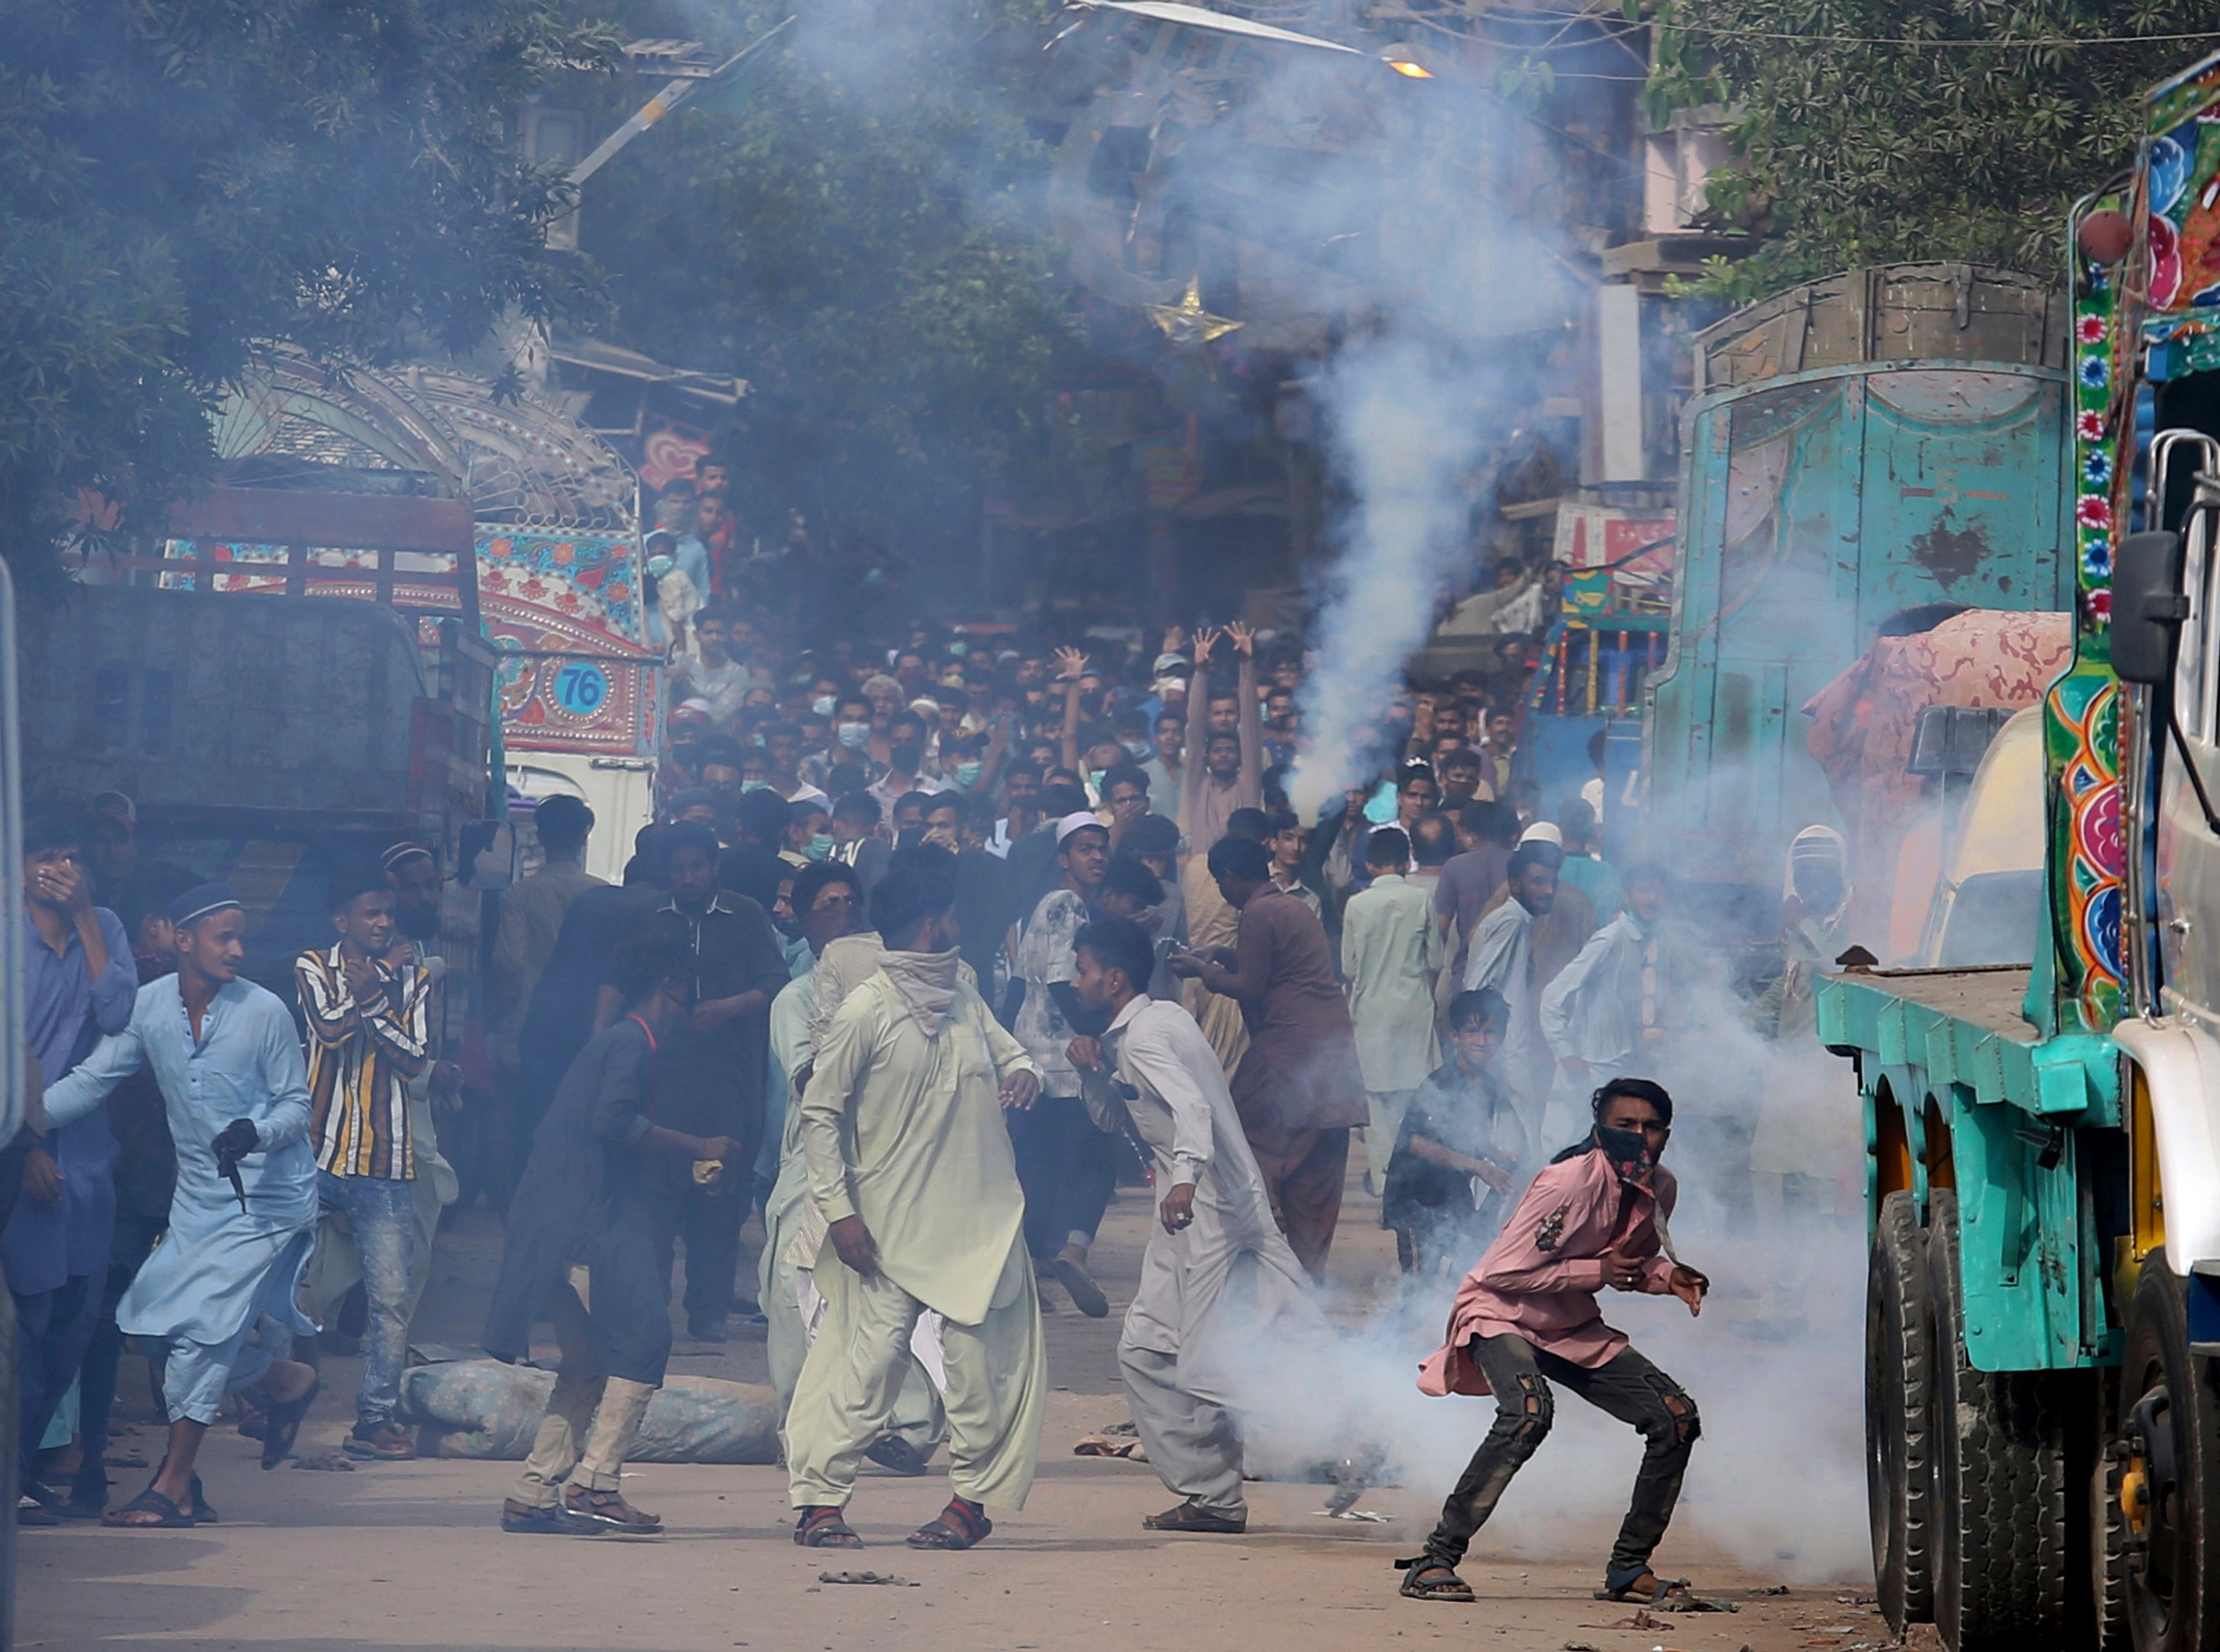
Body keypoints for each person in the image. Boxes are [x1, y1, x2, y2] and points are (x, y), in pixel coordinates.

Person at [786, 853, 1048, 1551]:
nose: (959, 926)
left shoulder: (963, 991)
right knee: (864, 1365)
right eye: (954, 915)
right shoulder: (866, 1008)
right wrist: (839, 1211)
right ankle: (819, 1501)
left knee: (976, 1369)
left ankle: (969, 1504)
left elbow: (1013, 1053)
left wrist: (1023, 1075)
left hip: (976, 1221)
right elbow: (820, 1112)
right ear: (935, 922)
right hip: (888, 1226)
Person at [44, 885, 322, 1526]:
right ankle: (282, 1381)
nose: (237, 949)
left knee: (203, 1335)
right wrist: (21, 1118)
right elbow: (94, 1078)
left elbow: (295, 1106)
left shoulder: (265, 1010)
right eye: (224, 936)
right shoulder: (149, 1007)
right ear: (181, 939)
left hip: (266, 1204)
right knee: (146, 1323)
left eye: (240, 936)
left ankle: (172, 1486)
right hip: (198, 1201)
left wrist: (254, 1130)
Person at [1401, 1079, 1706, 1607]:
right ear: (1599, 1130)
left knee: (1675, 1416)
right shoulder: (1564, 1181)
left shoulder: (1661, 1186)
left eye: (1650, 1126)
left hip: (1569, 1324)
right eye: (1625, 1125)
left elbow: (1627, 1260)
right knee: (1527, 1413)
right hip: (1501, 1314)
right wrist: (1597, 1270)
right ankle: (1435, 1557)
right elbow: (1502, 1272)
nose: (1639, 1137)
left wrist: (1666, 1277)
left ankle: (1629, 1567)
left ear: (1666, 1134)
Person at [485, 931, 744, 1534]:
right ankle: (595, 1483)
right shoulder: (632, 1044)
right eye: (690, 994)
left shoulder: (618, 1042)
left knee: (587, 1361)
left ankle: (533, 1490)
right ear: (671, 986)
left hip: (556, 1218)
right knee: (644, 1340)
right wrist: (697, 1145)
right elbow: (614, 1121)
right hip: (580, 1223)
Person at [1066, 917, 1318, 1535]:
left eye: (1081, 969)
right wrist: (1091, 1072)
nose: (1074, 982)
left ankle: (1336, 1432)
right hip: (1191, 1212)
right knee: (1147, 1349)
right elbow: (1114, 1120)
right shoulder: (1159, 1023)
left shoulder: (1148, 1037)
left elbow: (1193, 1108)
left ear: (1114, 978)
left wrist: (1182, 1178)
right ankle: (1213, 1498)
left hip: (1207, 1208)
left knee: (1209, 1363)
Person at [608, 821, 788, 1341]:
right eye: (678, 868)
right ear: (665, 871)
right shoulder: (646, 916)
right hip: (660, 1078)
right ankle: (650, 1309)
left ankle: (707, 1311)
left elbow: (774, 980)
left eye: (697, 866)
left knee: (719, 1198)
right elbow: (618, 981)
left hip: (729, 1081)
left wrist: (732, 1007)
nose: (687, 877)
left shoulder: (746, 916)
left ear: (713, 868)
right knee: (656, 1199)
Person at [8, 816, 135, 1522]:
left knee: (73, 1326)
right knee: (27, 1320)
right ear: (19, 864)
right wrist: (23, 1144)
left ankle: (21, 1468)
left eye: (73, 857)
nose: (60, 867)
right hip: (21, 1156)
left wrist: (87, 914)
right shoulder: (6, 934)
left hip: (88, 1162)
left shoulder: (104, 924)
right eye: (46, 855)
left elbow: (119, 1013)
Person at [1170, 836, 1367, 1280]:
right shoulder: (1292, 907)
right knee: (1316, 1177)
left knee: (1244, 1146)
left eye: (1221, 883)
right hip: (1331, 1054)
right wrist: (1222, 956)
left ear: (1231, 878)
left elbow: (1252, 987)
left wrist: (1205, 973)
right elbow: (1276, 967)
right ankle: (1306, 1278)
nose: (1222, 893)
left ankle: (1261, 1256)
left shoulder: (1258, 912)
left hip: (1291, 1054)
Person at [296, 874, 432, 1460]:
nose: (383, 923)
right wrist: (373, 996)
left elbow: (412, 1060)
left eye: (388, 912)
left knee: (391, 1300)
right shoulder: (310, 966)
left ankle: (374, 1417)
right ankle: (278, 1395)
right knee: (281, 1282)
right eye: (371, 912)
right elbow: (326, 1031)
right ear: (342, 920)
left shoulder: (415, 978)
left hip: (384, 1159)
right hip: (315, 1152)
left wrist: (376, 996)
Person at [1009, 812, 1116, 1317]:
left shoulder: (1048, 907)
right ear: (1063, 859)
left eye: (1102, 848)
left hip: (1034, 1055)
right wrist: (1094, 1035)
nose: (1096, 857)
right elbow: (1059, 982)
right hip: (1062, 1056)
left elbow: (1021, 984)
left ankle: (1026, 1268)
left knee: (1041, 1168)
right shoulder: (1067, 905)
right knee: (1097, 1154)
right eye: (1085, 848)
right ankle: (1072, 1249)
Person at [489, 795, 603, 1197]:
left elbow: (510, 963)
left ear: (540, 835)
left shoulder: (522, 894)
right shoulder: (600, 894)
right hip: (588, 1026)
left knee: (525, 1121)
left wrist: (506, 1013)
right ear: (583, 837)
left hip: (530, 1026)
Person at [1382, 990, 1525, 1280]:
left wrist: (1496, 1155)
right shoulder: (1441, 1083)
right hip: (1415, 1199)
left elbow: (1465, 1134)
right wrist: (1480, 1166)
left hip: (1453, 1195)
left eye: (1490, 1033)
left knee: (1469, 1271)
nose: (1481, 1042)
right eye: (1472, 1032)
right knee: (1419, 1283)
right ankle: (1399, 1326)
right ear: (1455, 1036)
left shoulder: (1486, 1084)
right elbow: (1416, 1142)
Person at [1340, 827, 1445, 1195]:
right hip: (1413, 1011)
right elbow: (1436, 959)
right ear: (1407, 860)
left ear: (1369, 865)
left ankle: (1385, 1184)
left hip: (1371, 1014)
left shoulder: (1356, 905)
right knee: (1413, 1100)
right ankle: (1413, 1179)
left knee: (1377, 1106)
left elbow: (1350, 969)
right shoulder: (1421, 901)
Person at [1539, 863, 1682, 1093]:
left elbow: (1623, 1007)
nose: (1652, 899)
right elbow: (1552, 997)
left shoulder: (1640, 941)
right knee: (1568, 1129)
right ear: (1627, 897)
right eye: (1644, 891)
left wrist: (1637, 1053)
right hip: (1587, 1068)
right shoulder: (1610, 939)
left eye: (1658, 892)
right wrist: (1568, 1056)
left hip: (1615, 1066)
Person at [1463, 840, 1570, 1140]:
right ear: (1515, 885)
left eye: (1553, 882)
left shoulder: (1519, 921)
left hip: (1507, 1050)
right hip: (1502, 1054)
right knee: (1510, 1137)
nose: (1548, 891)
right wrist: (1484, 1050)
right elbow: (1477, 989)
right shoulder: (1511, 921)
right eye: (1538, 881)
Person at [1176, 626, 1263, 857]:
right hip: (1202, 875)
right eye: (1217, 751)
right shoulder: (1198, 783)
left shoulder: (1248, 783)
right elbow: (1194, 733)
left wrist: (1246, 664)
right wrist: (1201, 672)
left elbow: (1252, 727)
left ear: (1239, 757)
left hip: (1245, 876)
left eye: (1229, 750)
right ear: (1207, 757)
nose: (1224, 754)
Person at [1554, 797, 1620, 922]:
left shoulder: (1549, 869)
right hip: (1597, 940)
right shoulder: (1606, 871)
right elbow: (1615, 917)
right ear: (1592, 831)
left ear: (1560, 828)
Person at [1143, 713, 1185, 821]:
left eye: (1176, 732)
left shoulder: (1193, 774)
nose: (1170, 737)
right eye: (1164, 732)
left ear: (1184, 739)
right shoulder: (1142, 773)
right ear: (1155, 739)